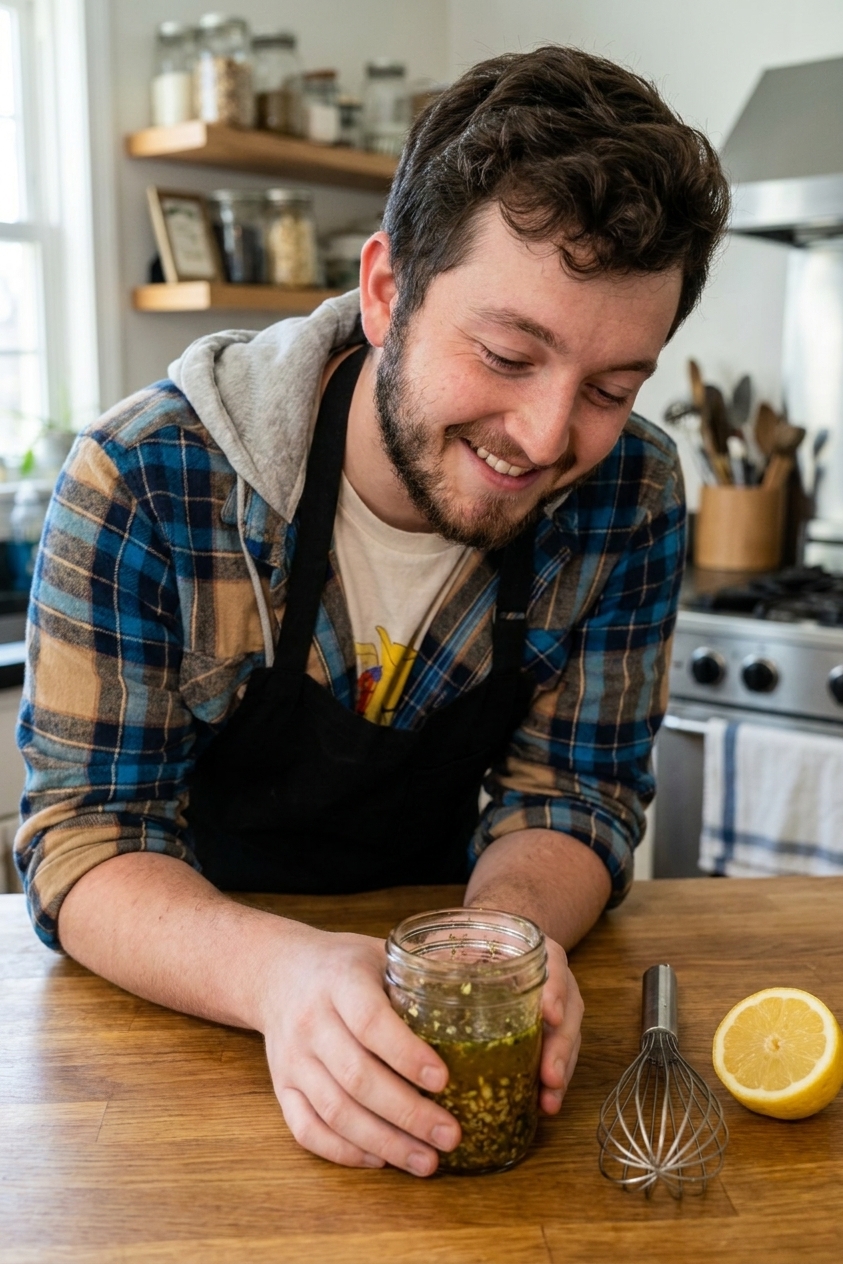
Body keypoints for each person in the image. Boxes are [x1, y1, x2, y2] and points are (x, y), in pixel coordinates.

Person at [15, 46, 729, 1177]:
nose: (547, 439)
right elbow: (82, 836)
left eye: (609, 389)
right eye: (507, 353)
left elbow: (576, 789)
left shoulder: (630, 496)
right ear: (388, 289)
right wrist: (281, 977)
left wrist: (512, 947)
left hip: (439, 1035)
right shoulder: (146, 478)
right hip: (173, 1046)